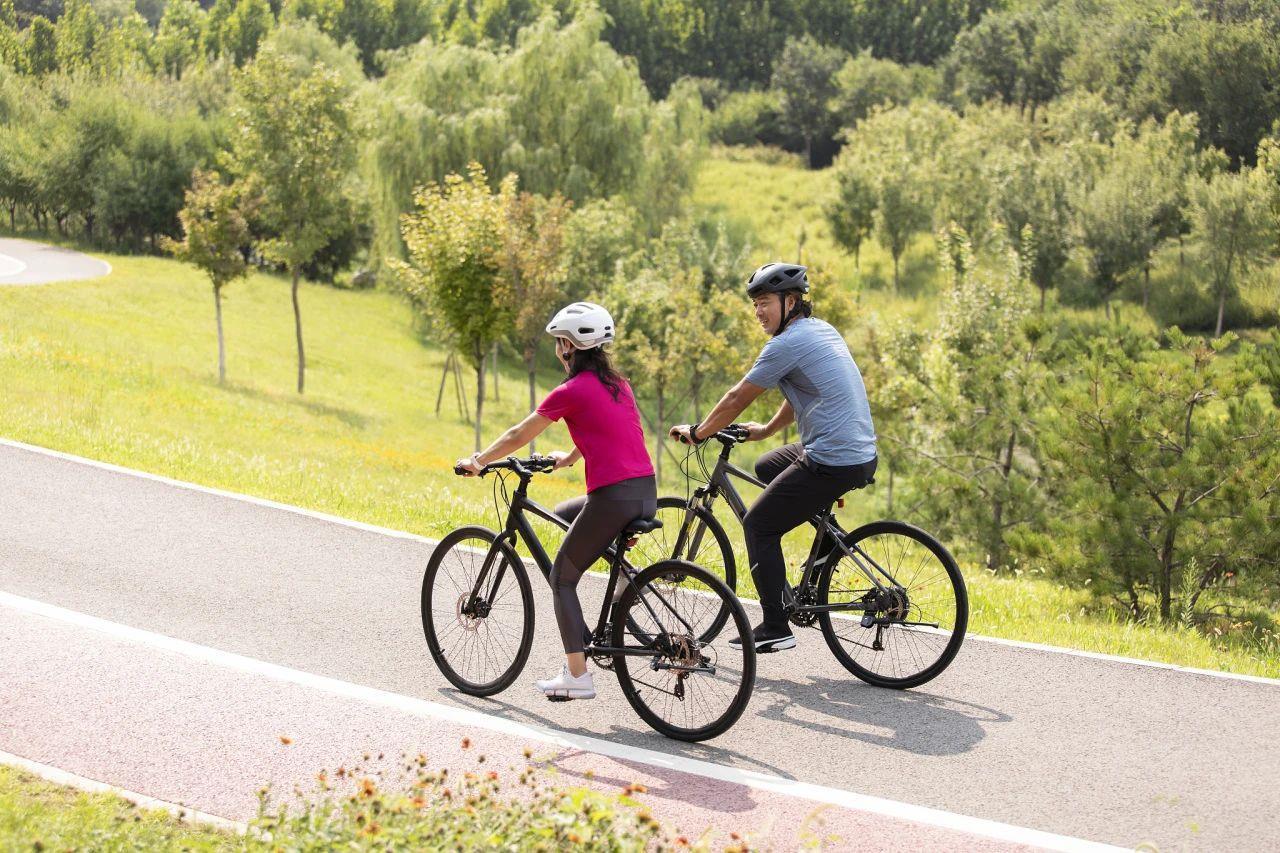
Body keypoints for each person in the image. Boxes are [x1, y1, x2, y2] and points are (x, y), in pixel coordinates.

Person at [669, 262, 877, 652]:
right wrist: (765, 431)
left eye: (765, 302)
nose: (758, 312)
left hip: (832, 456)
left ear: (791, 301)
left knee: (759, 525)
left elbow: (736, 397)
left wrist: (700, 432)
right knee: (768, 464)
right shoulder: (819, 330)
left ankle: (776, 625)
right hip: (855, 451)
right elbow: (803, 391)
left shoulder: (786, 343)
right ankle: (827, 549)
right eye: (755, 304)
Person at [456, 302, 655, 700]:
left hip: (612, 497)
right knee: (563, 513)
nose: (557, 351)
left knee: (562, 577)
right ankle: (623, 577)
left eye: (558, 344)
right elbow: (608, 429)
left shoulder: (572, 390)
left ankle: (577, 676)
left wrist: (480, 461)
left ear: (568, 346)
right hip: (644, 491)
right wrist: (568, 457)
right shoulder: (619, 383)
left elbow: (518, 433)